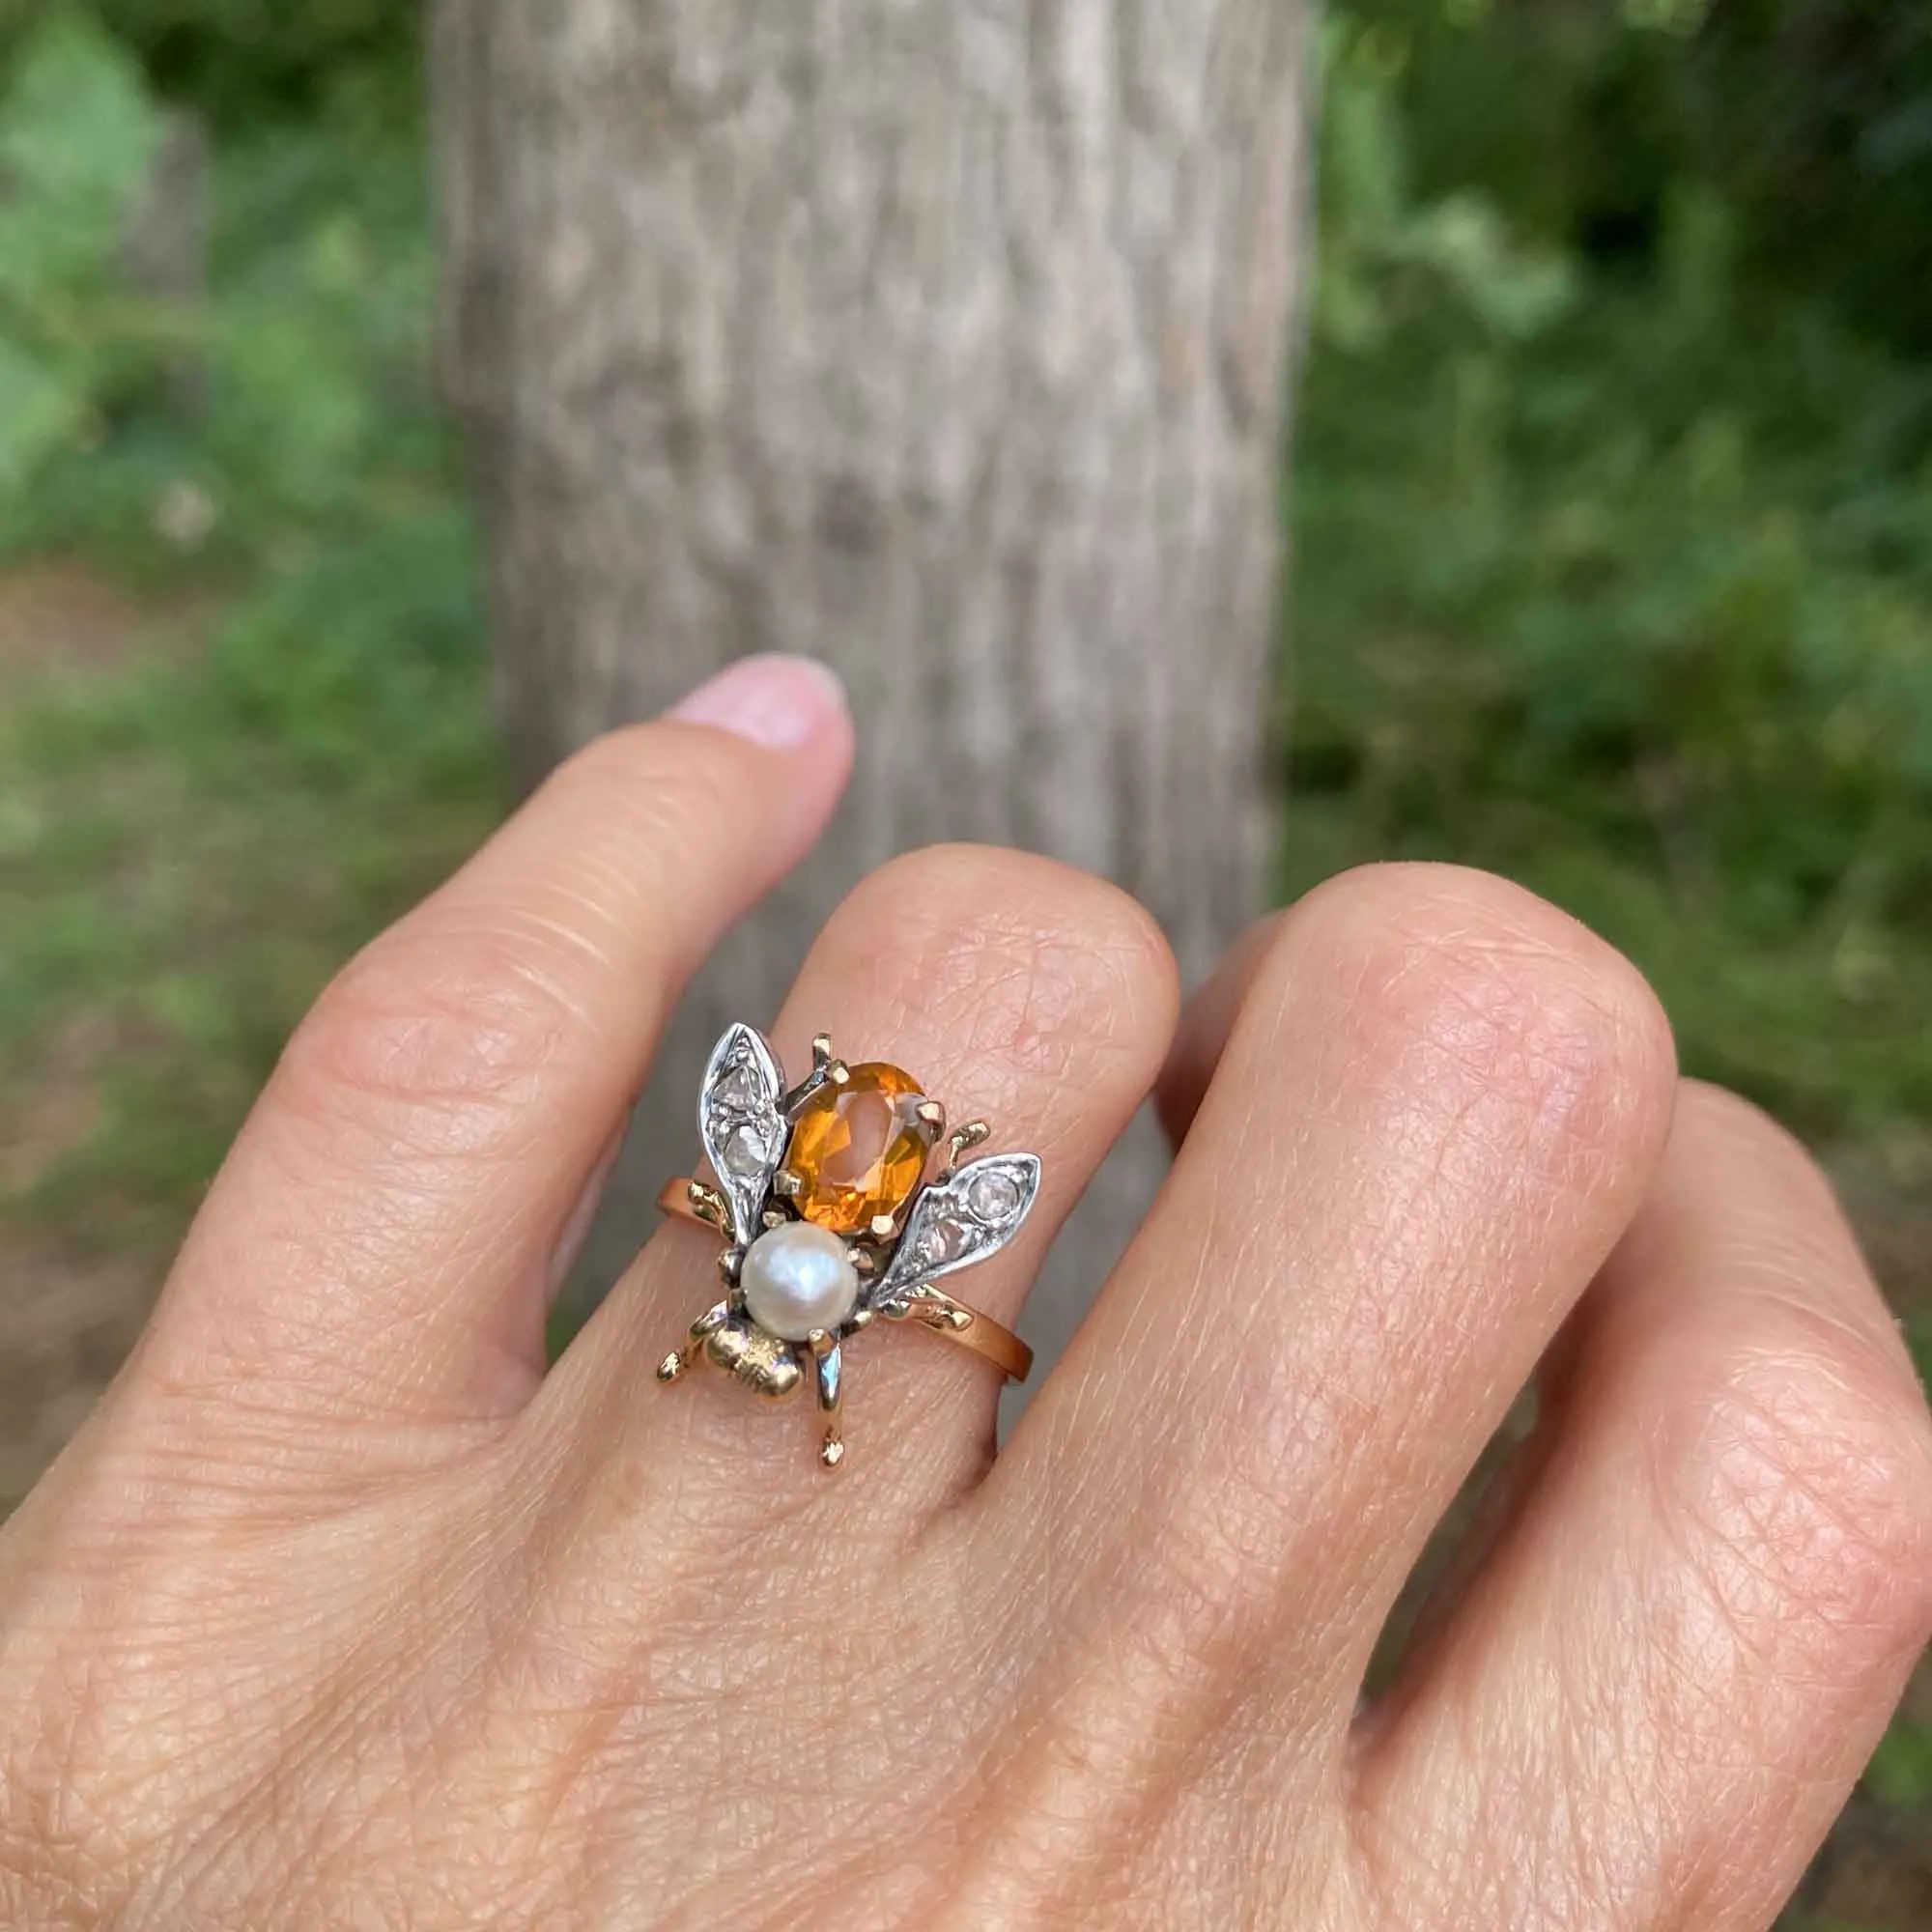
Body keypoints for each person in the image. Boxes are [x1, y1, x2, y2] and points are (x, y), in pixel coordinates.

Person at [2, 655, 1926, 1931]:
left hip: (860, 1210)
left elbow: (823, 1249)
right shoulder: (810, 1256)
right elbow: (784, 1241)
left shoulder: (831, 1243)